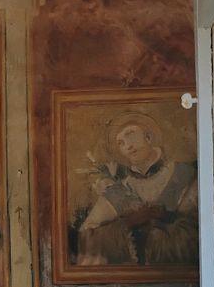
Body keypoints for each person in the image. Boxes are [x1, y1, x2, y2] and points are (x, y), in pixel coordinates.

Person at [75, 113, 199, 267]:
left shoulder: (184, 174)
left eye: (131, 135)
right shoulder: (120, 191)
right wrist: (130, 222)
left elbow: (198, 231)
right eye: (121, 143)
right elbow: (87, 237)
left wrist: (163, 218)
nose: (128, 146)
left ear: (148, 137)